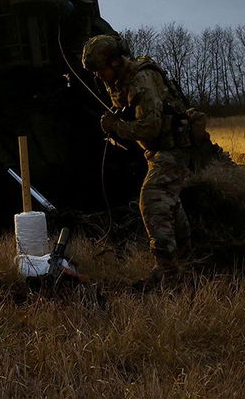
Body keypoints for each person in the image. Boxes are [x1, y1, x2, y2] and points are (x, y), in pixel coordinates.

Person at [81, 34, 217, 284]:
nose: (98, 76)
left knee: (152, 197)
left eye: (100, 70)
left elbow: (149, 128)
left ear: (114, 62)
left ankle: (167, 271)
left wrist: (116, 126)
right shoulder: (122, 81)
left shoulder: (141, 80)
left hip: (175, 149)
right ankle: (187, 262)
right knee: (170, 203)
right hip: (158, 151)